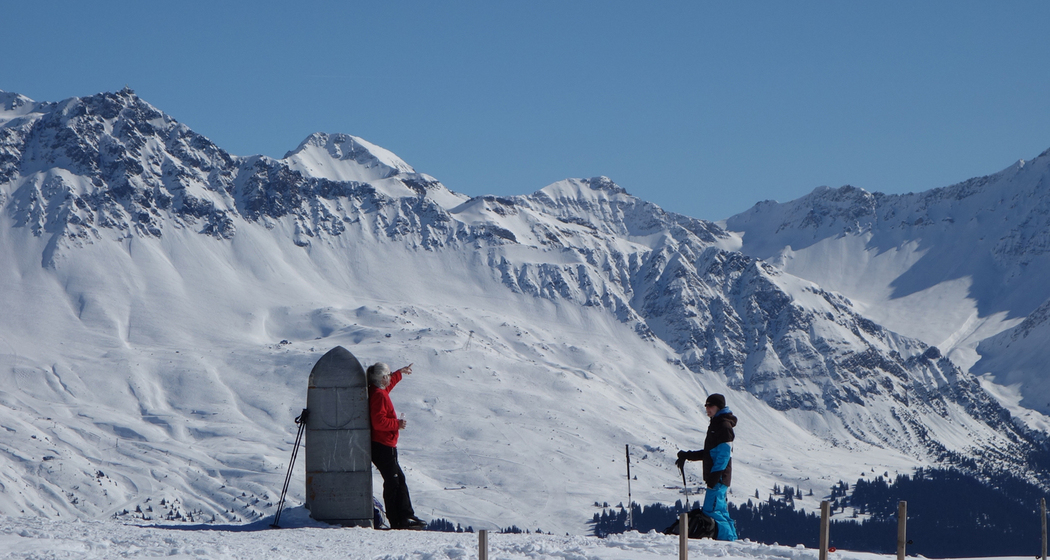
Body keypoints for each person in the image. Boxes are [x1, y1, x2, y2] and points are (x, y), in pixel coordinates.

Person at [368, 362, 425, 530]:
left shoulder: (377, 390)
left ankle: (405, 516)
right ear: (382, 378)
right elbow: (378, 422)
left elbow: (388, 385)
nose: (389, 377)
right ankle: (399, 519)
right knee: (394, 482)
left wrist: (399, 373)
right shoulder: (379, 395)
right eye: (388, 375)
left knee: (398, 479)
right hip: (383, 445)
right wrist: (396, 424)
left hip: (383, 444)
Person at [675, 393, 739, 541]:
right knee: (721, 511)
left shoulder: (723, 425)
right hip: (719, 478)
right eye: (706, 406)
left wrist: (714, 478)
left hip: (718, 478)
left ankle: (728, 542)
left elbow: (724, 454)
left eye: (710, 406)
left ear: (719, 407)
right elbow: (710, 453)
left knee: (712, 511)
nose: (707, 409)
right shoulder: (717, 423)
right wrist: (688, 455)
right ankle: (733, 540)